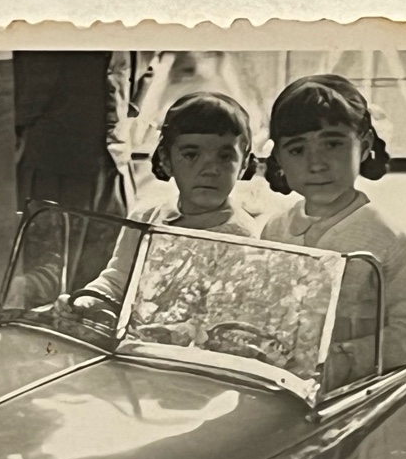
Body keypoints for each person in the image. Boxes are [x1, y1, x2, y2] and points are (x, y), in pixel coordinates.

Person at [261, 74, 406, 384]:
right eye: (297, 150)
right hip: (281, 385)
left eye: (333, 144)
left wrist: (344, 359)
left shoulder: (394, 240)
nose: (316, 164)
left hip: (362, 392)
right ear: (279, 159)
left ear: (365, 145)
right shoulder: (274, 230)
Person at [55, 91, 261, 321]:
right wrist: (85, 302)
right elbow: (117, 282)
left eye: (225, 157)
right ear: (166, 160)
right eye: (191, 154)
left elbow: (232, 313)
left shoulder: (244, 236)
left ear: (243, 164)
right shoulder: (145, 217)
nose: (210, 170)